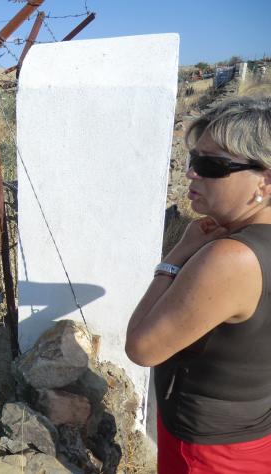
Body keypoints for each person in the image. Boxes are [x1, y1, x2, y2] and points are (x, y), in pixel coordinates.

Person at [126, 97, 271, 473]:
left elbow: (142, 347)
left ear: (265, 180)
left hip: (208, 450)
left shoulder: (231, 257)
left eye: (211, 165)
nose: (191, 173)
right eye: (193, 160)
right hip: (252, 432)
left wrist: (178, 254)